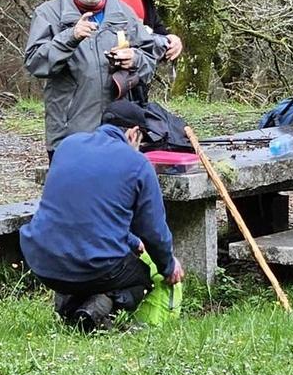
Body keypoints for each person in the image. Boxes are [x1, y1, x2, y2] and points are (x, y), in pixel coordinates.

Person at [19, 100, 185, 331]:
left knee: (92, 258)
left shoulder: (68, 145)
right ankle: (96, 310)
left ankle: (70, 308)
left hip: (40, 260)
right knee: (141, 276)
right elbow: (153, 230)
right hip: (92, 265)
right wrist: (168, 267)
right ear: (133, 133)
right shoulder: (137, 164)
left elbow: (86, 211)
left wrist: (131, 240)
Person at [24, 0, 159, 155]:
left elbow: (150, 60)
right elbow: (34, 63)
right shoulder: (49, 14)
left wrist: (135, 59)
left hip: (120, 138)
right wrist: (71, 37)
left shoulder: (125, 15)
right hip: (69, 140)